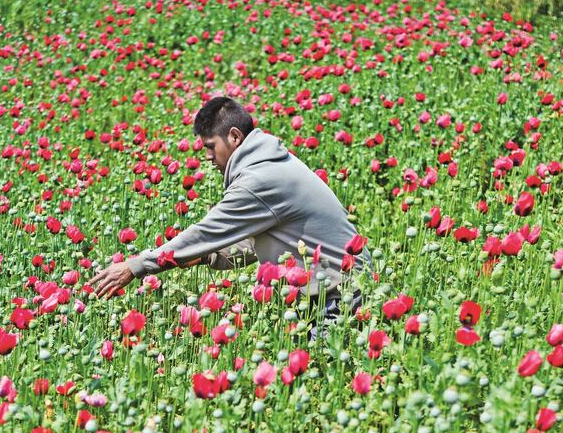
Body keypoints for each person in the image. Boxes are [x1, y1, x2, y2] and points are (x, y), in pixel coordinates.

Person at [91, 96, 370, 327]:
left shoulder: (260, 179)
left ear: (234, 137)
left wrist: (136, 266)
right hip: (335, 291)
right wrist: (205, 257)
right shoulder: (271, 162)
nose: (208, 157)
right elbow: (251, 245)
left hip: (341, 298)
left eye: (211, 147)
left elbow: (208, 232)